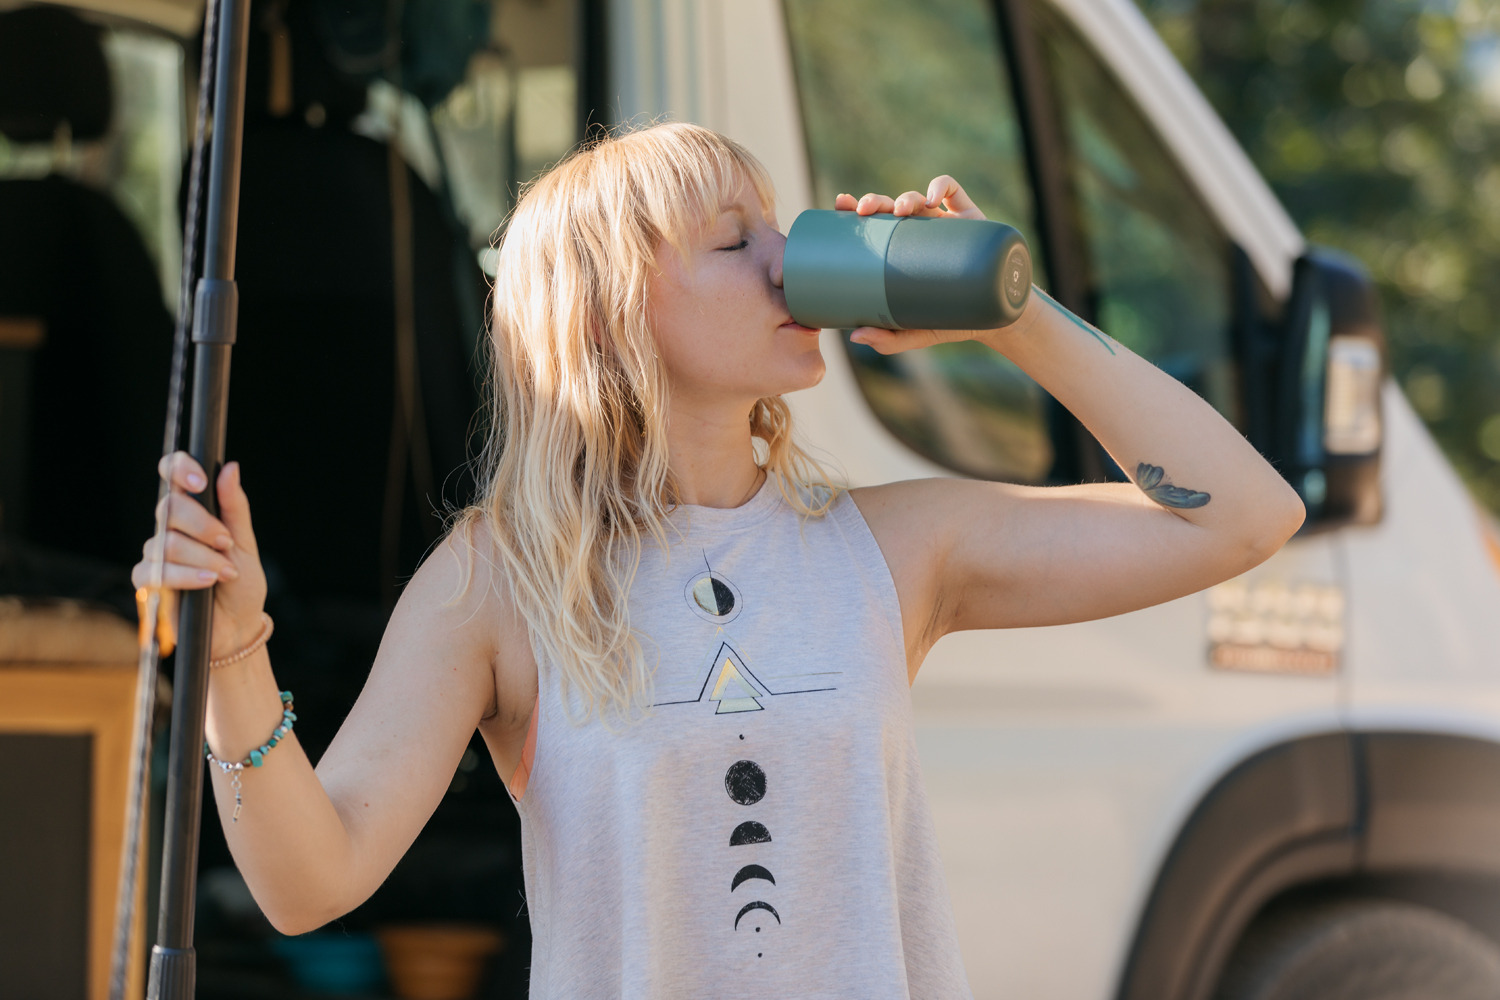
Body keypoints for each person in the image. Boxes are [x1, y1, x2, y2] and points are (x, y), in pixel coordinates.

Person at [134, 121, 1304, 997]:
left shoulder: (896, 547)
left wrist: (1017, 317)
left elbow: (1242, 515)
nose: (789, 261)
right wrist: (235, 654)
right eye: (736, 240)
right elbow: (309, 881)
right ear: (611, 316)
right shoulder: (503, 580)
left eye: (780, 229)